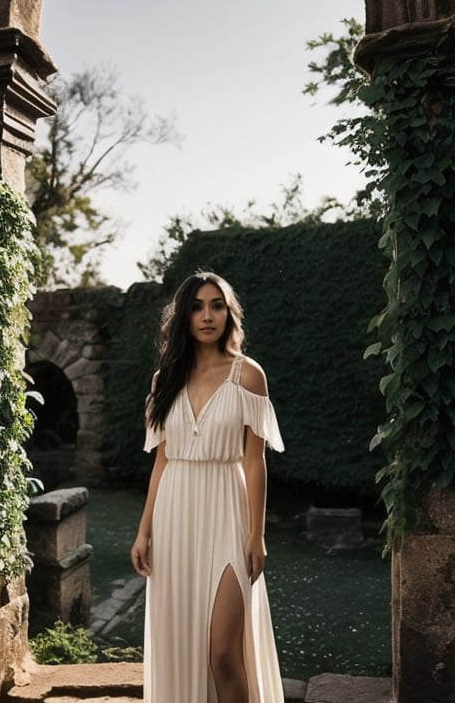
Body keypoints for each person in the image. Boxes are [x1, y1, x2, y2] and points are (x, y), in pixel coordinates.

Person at [130, 271, 285, 703]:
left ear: (229, 314)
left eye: (217, 305)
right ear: (183, 316)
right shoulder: (165, 381)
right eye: (197, 306)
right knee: (184, 644)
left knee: (222, 653)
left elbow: (255, 463)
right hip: (174, 515)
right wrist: (144, 531)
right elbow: (161, 462)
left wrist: (257, 534)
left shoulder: (248, 376)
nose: (207, 315)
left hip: (226, 513)